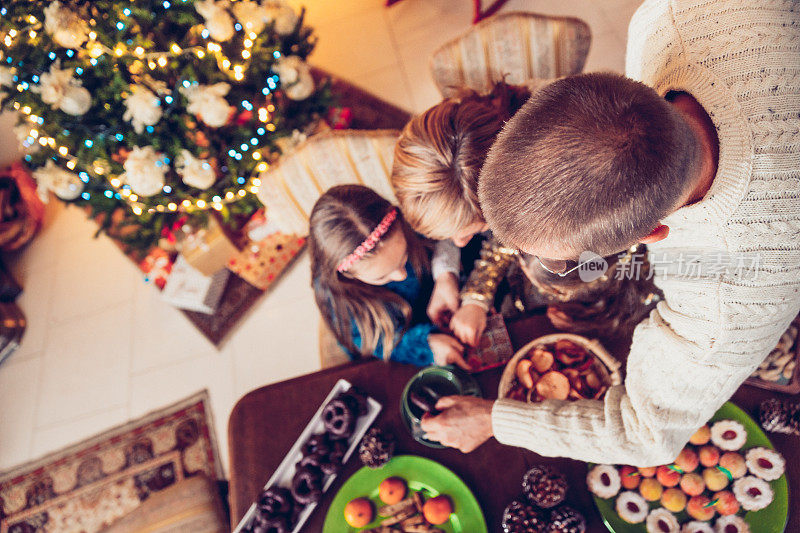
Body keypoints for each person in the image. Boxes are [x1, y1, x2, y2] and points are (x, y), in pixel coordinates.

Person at [420, 0, 800, 465]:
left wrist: (491, 420)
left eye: (563, 259)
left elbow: (646, 433)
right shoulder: (666, 21)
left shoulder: (729, 298)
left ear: (650, 235)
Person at [391, 83, 532, 346]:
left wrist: (477, 296)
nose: (457, 243)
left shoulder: (534, 186)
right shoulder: (458, 151)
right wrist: (446, 274)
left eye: (472, 231)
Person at [309, 184, 470, 369]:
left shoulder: (415, 221)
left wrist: (446, 276)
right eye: (382, 276)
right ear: (347, 276)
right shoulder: (338, 300)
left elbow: (447, 235)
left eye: (404, 256)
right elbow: (373, 342)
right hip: (401, 349)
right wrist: (426, 344)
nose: (401, 275)